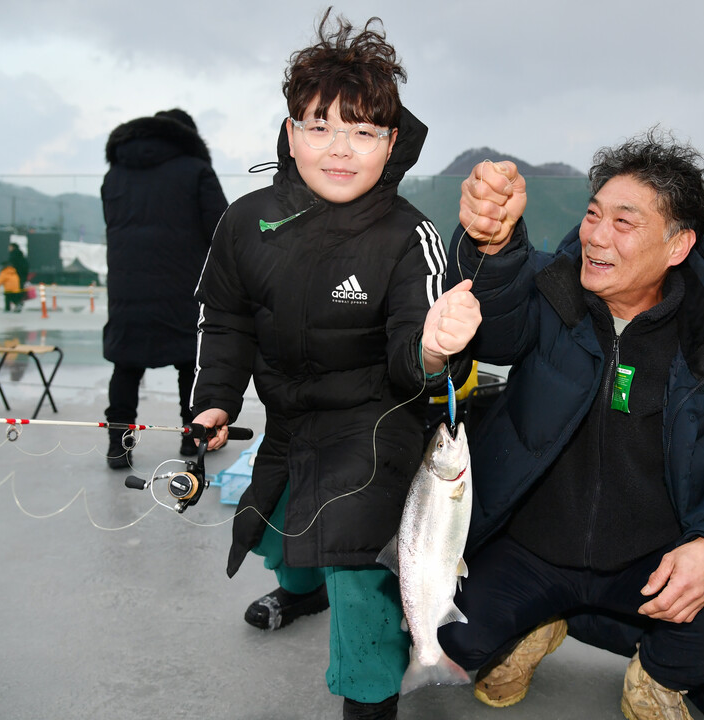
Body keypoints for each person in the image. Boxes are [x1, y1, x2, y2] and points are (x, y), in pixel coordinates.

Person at [438, 131, 704, 720]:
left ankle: (655, 677)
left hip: (648, 560)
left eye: (624, 223)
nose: (597, 236)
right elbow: (496, 323)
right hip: (530, 548)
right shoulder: (553, 294)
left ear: (678, 245)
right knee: (445, 627)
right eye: (593, 214)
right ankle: (536, 623)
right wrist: (491, 245)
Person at [187, 10, 478, 720]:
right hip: (289, 418)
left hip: (374, 427)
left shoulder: (410, 234)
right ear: (291, 134)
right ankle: (299, 591)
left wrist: (434, 347)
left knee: (356, 567)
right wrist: (216, 399)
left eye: (364, 131)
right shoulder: (245, 221)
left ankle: (370, 699)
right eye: (320, 127)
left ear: (391, 143)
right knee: (279, 516)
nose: (340, 148)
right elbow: (225, 319)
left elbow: (413, 352)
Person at [100, 107, 228, 469]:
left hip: (127, 288)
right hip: (182, 286)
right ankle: (193, 439)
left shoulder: (115, 174)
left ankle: (118, 446)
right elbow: (221, 228)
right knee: (190, 365)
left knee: (126, 366)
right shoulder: (196, 170)